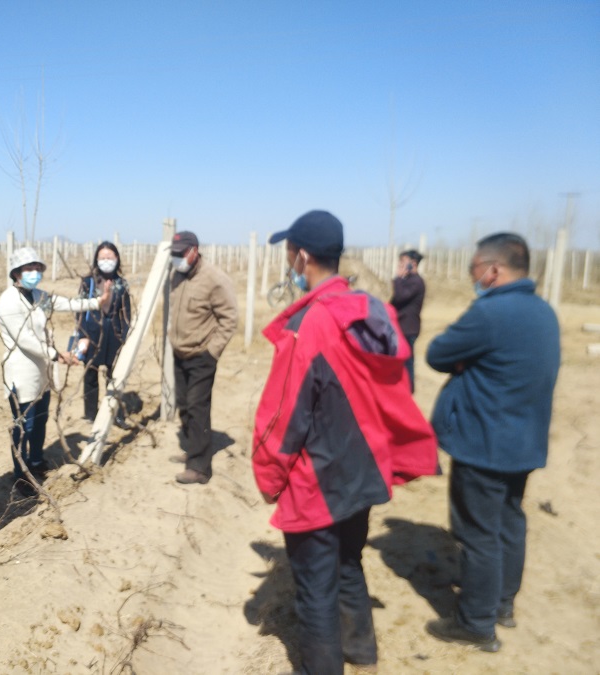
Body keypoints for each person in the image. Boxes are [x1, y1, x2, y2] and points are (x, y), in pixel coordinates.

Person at [252, 210, 438, 675]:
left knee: (316, 591)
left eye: (289, 252)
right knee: (348, 562)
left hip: (319, 477)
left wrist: (269, 476)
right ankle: (362, 654)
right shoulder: (371, 310)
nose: (288, 261)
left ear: (303, 256)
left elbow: (284, 412)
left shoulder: (311, 324)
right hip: (362, 468)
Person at [425, 232, 560, 652]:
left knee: (478, 534)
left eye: (474, 269)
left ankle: (476, 623)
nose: (473, 277)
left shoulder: (490, 313)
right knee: (509, 524)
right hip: (523, 442)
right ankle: (503, 604)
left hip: (484, 443)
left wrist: (467, 361)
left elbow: (437, 353)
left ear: (493, 270)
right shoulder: (544, 312)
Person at [0, 247, 111, 494]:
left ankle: (36, 460)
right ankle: (21, 474)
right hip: (22, 372)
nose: (34, 272)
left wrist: (97, 302)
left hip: (42, 371)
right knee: (23, 426)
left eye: (37, 268)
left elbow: (66, 303)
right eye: (29, 268)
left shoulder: (38, 295)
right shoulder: (8, 300)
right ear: (16, 272)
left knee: (40, 419)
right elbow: (25, 339)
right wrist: (57, 355)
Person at [168, 230, 238, 485]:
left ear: (194, 251)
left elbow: (229, 318)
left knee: (198, 407)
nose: (176, 258)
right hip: (179, 352)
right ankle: (193, 449)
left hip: (201, 356)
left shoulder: (214, 279)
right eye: (173, 254)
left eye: (180, 254)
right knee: (184, 404)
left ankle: (200, 468)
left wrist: (212, 351)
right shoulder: (176, 275)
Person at [76, 241, 132, 425]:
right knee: (91, 375)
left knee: (115, 375)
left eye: (110, 257)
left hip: (115, 335)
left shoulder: (121, 283)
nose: (106, 261)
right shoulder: (88, 282)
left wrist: (125, 337)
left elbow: (126, 313)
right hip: (92, 333)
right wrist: (82, 335)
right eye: (102, 258)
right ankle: (91, 414)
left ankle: (114, 413)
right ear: (96, 259)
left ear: (117, 259)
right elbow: (80, 310)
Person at [389, 249, 426, 391]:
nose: (399, 265)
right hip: (402, 327)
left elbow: (399, 297)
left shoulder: (416, 282)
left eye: (402, 262)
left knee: (407, 362)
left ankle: (409, 390)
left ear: (413, 264)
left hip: (408, 329)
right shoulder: (408, 281)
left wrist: (398, 278)